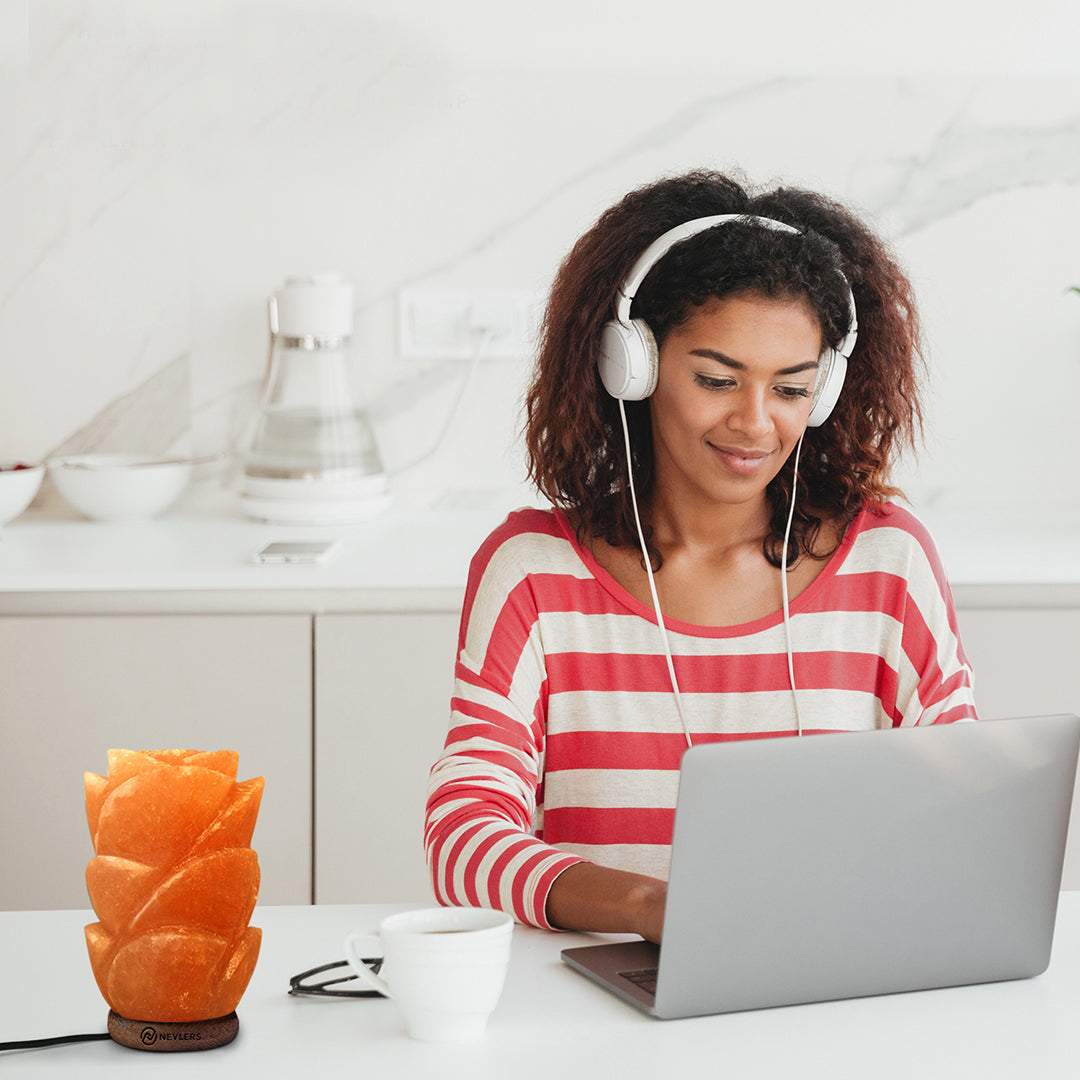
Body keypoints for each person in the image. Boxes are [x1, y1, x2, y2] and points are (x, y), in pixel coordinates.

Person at [424, 168, 977, 947]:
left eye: (791, 389)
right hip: (603, 1004)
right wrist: (650, 910)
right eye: (716, 379)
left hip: (827, 988)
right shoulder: (534, 573)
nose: (755, 424)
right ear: (633, 367)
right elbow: (464, 830)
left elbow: (964, 812)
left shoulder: (888, 565)